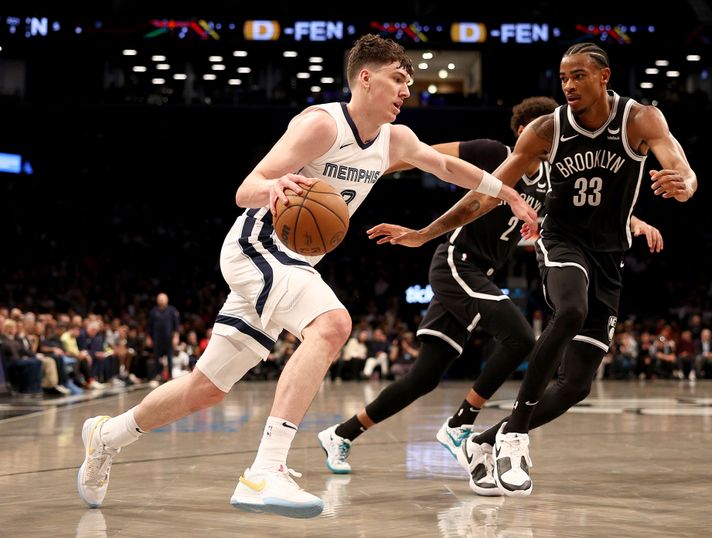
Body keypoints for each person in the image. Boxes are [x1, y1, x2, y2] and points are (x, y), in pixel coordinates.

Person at [75, 34, 537, 519]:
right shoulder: (322, 124)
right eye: (398, 78)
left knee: (205, 388)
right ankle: (265, 469)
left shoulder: (395, 140)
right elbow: (245, 189)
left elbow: (445, 166)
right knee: (333, 325)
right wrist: (275, 185)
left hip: (293, 264)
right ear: (365, 77)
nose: (407, 90)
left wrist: (505, 192)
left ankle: (106, 436)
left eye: (409, 82)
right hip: (257, 247)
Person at [317, 96, 663, 496]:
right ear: (527, 133)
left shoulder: (552, 182)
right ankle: (461, 424)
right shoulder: (493, 153)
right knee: (521, 338)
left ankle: (342, 434)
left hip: (480, 273)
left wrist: (634, 221)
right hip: (455, 263)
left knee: (424, 376)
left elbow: (591, 211)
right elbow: (422, 155)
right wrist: (364, 170)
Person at [418, 42, 695, 497]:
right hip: (562, 239)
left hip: (610, 255)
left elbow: (683, 172)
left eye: (579, 76)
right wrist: (427, 233)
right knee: (569, 309)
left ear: (604, 77)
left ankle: (484, 443)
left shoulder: (641, 119)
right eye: (563, 77)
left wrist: (683, 186)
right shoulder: (547, 130)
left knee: (575, 386)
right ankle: (515, 437)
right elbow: (487, 193)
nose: (568, 85)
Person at [146, 293, 180, 382]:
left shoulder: (171, 310)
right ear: (157, 300)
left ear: (167, 300)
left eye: (163, 299)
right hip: (157, 339)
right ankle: (157, 376)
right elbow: (150, 326)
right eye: (159, 299)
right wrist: (149, 337)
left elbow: (176, 325)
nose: (161, 300)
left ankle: (170, 376)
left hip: (168, 338)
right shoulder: (154, 311)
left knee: (169, 358)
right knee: (156, 358)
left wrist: (176, 336)